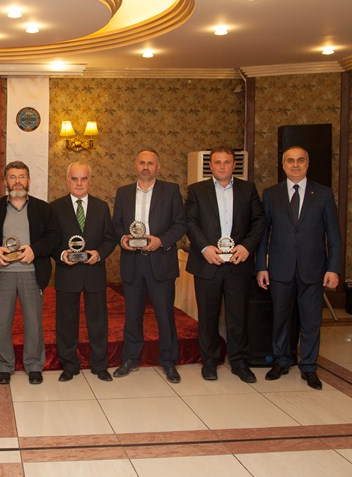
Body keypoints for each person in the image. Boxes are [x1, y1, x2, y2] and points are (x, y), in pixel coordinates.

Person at [256, 146, 341, 390]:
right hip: (279, 269)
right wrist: (261, 266)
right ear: (283, 165)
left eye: (300, 160)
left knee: (311, 321)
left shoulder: (323, 194)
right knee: (280, 318)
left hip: (313, 270)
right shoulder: (271, 194)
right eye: (290, 161)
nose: (295, 165)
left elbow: (333, 235)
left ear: (307, 164)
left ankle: (309, 367)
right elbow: (263, 234)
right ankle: (281, 361)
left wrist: (333, 268)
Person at [185, 146, 265, 382]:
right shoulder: (196, 190)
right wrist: (204, 248)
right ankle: (209, 362)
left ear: (234, 165)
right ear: (210, 165)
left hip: (238, 264)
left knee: (238, 317)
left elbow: (259, 220)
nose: (222, 166)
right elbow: (189, 222)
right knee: (207, 317)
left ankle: (239, 362)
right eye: (217, 162)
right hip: (208, 263)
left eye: (227, 162)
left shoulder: (247, 189)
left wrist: (247, 246)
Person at [112, 149, 187, 383]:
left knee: (165, 315)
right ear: (136, 165)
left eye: (150, 163)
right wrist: (123, 239)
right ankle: (131, 358)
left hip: (160, 261)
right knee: (132, 314)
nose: (146, 167)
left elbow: (181, 223)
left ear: (158, 167)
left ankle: (169, 361)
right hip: (133, 262)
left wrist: (161, 241)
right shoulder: (123, 192)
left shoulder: (171, 190)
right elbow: (116, 225)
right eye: (142, 163)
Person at [0, 161, 60, 385]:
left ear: (28, 181)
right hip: (3, 273)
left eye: (21, 176)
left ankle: (34, 364)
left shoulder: (42, 208)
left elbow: (54, 236)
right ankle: (4, 365)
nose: (17, 181)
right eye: (12, 177)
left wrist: (35, 250)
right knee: (2, 322)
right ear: (5, 182)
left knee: (33, 322)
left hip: (32, 272)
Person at [50, 162, 117, 382]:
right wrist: (62, 255)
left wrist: (99, 253)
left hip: (93, 272)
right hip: (67, 273)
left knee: (98, 322)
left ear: (90, 181)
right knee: (66, 322)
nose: (79, 183)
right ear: (67, 180)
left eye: (84, 178)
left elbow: (110, 238)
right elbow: (50, 240)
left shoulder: (101, 207)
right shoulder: (55, 208)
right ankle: (69, 365)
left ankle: (100, 365)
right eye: (75, 179)